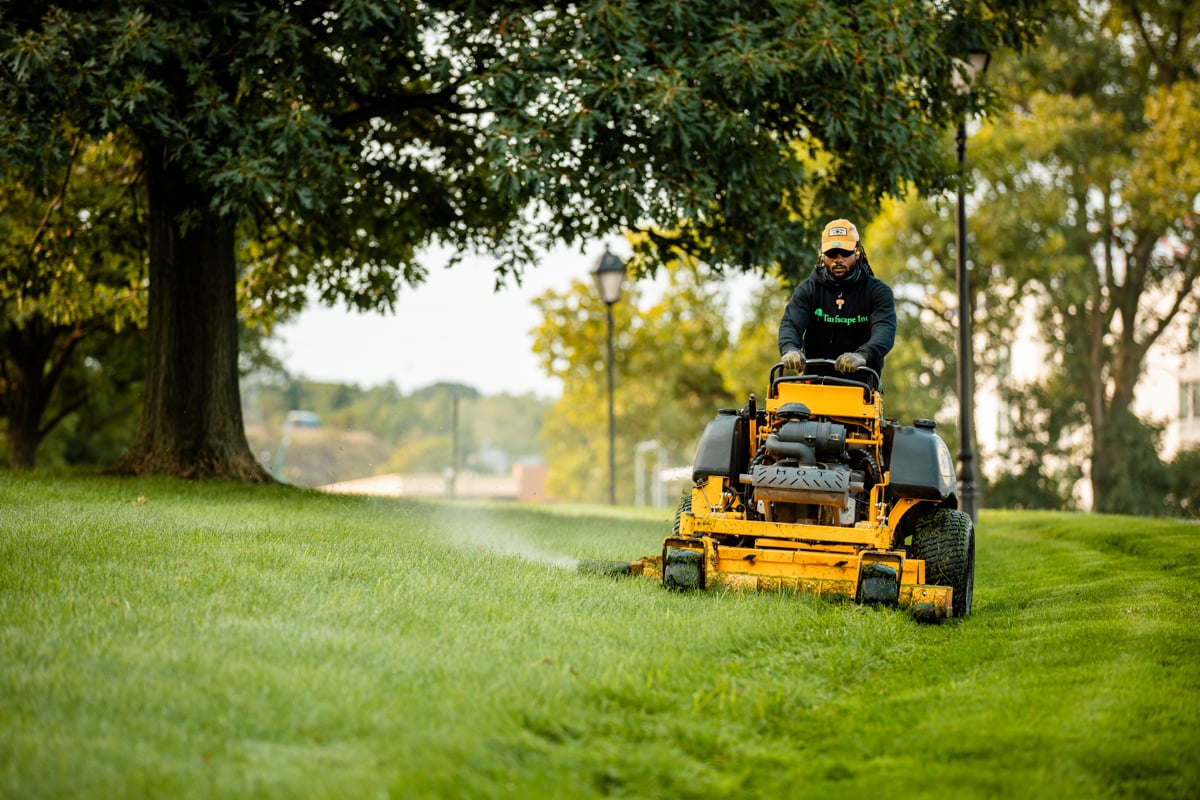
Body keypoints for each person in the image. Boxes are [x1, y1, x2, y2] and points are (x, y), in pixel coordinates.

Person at [778, 218, 896, 382]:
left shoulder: (878, 292)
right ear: (822, 255)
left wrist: (862, 355)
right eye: (832, 254)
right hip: (814, 383)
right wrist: (790, 349)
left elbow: (885, 331)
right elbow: (791, 323)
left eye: (845, 252)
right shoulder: (808, 290)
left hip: (861, 387)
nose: (838, 259)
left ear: (857, 253)